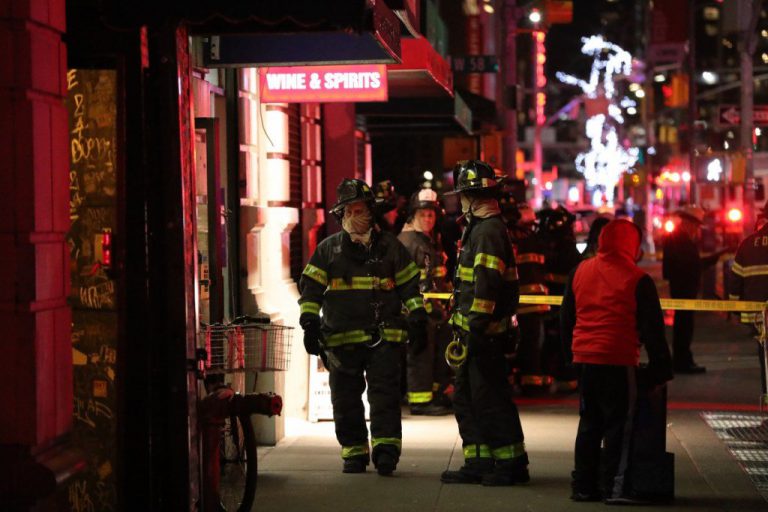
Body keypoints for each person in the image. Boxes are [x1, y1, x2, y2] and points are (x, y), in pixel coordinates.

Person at [297, 178, 428, 476]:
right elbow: (311, 293)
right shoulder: (328, 251)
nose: (358, 216)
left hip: (385, 337)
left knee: (384, 396)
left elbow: (410, 286)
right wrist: (309, 323)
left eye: (362, 209)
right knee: (345, 399)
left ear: (371, 211)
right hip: (341, 341)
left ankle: (386, 451)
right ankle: (354, 452)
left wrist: (418, 317)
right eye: (351, 210)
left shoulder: (391, 247)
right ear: (342, 214)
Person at [561, 219, 673, 502]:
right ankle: (615, 486)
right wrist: (661, 368)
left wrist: (570, 358)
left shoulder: (579, 271)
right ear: (632, 246)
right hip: (619, 360)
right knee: (618, 427)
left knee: (588, 423)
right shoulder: (637, 279)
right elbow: (652, 329)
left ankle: (583, 486)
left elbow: (566, 319)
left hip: (586, 359)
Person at [440, 160, 529, 486]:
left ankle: (511, 464)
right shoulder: (478, 227)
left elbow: (486, 286)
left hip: (485, 335)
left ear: (472, 196)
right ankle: (478, 461)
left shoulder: (489, 230)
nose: (459, 201)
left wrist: (475, 328)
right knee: (466, 398)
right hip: (471, 333)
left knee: (490, 399)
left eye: (462, 195)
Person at [398, 188, 453, 416]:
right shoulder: (406, 241)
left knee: (436, 355)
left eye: (431, 215)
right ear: (413, 215)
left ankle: (433, 395)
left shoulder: (429, 240)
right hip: (417, 312)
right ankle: (419, 401)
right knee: (420, 355)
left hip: (435, 312)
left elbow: (437, 276)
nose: (428, 219)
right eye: (423, 215)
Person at [662, 205, 729, 374]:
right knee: (684, 326)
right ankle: (682, 362)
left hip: (681, 288)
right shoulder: (681, 240)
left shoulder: (677, 238)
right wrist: (714, 258)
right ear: (689, 223)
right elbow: (692, 266)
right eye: (696, 225)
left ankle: (683, 360)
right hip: (683, 289)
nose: (697, 230)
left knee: (683, 326)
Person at [499, 194, 551, 391]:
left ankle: (520, 380)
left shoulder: (507, 237)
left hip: (516, 303)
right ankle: (530, 382)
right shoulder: (530, 239)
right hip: (529, 303)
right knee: (530, 344)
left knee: (520, 344)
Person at [538, 206, 582, 391]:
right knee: (561, 340)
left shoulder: (544, 244)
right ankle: (564, 375)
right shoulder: (566, 247)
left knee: (551, 340)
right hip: (562, 302)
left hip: (549, 303)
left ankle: (550, 374)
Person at [729, 202, 768, 395]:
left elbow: (735, 280)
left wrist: (735, 308)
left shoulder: (747, 244)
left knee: (765, 360)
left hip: (757, 317)